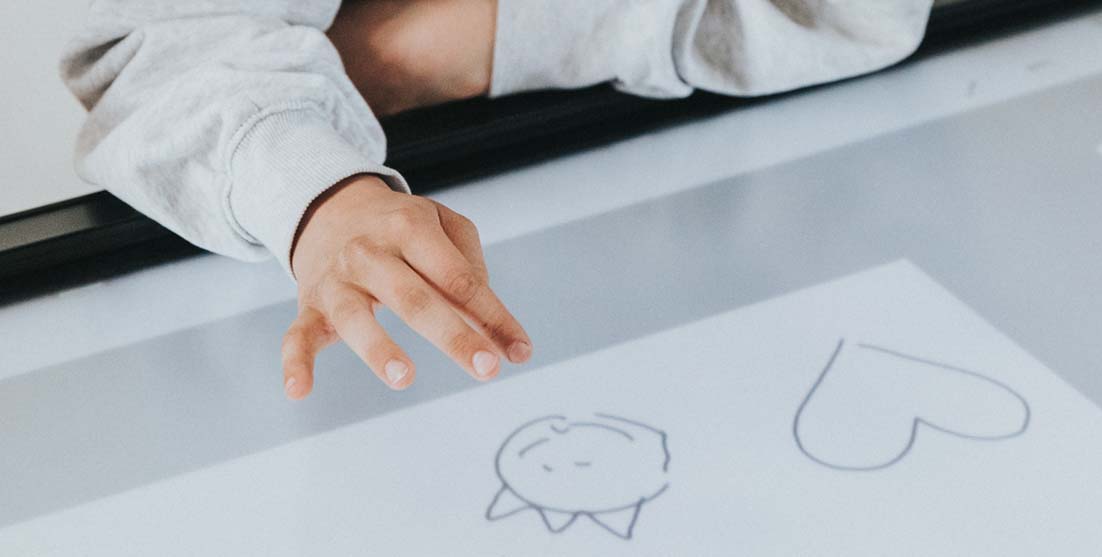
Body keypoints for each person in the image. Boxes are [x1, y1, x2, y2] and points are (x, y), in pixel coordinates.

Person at [61, 0, 931, 400]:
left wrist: (442, 45)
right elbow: (157, 52)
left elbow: (856, 14)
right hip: (306, 252)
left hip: (706, 211)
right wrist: (323, 194)